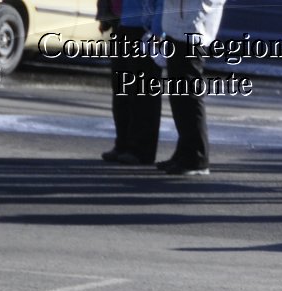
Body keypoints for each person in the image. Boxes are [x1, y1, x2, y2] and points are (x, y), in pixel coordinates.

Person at [153, 0, 227, 175]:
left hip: (192, 27)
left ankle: (197, 157)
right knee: (180, 96)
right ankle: (185, 152)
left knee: (188, 95)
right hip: (180, 23)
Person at [96, 0, 161, 163]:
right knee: (121, 90)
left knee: (142, 92)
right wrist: (105, 14)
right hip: (122, 23)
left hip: (145, 28)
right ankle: (123, 143)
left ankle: (141, 149)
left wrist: (158, 31)